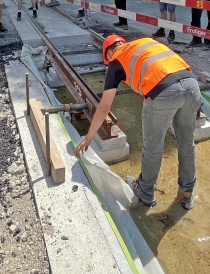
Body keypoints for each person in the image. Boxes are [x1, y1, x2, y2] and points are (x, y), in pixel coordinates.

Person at [75, 35, 202, 210]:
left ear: (109, 52)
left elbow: (104, 108)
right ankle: (187, 194)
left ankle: (145, 190)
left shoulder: (116, 59)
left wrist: (89, 138)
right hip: (192, 86)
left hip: (162, 92)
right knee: (187, 143)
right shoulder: (144, 44)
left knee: (153, 146)